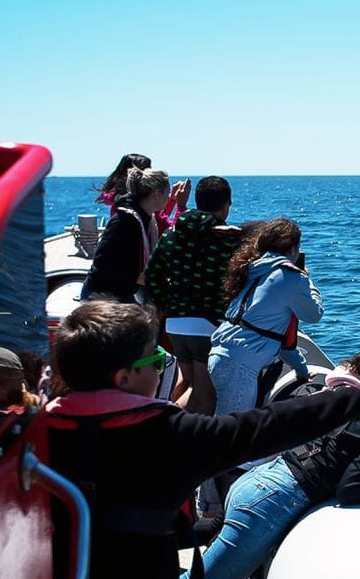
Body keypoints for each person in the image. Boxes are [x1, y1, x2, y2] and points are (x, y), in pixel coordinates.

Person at [45, 300, 360, 579]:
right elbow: (267, 426)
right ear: (124, 378)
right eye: (156, 360)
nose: (162, 368)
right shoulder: (169, 435)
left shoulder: (38, 431)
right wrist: (356, 398)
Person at [179, 345, 360, 579]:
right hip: (272, 502)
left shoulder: (356, 400)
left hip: (258, 481)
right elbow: (352, 489)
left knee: (214, 578)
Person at [145, 176, 242, 414]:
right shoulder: (227, 239)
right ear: (226, 206)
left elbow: (152, 275)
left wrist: (167, 303)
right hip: (207, 324)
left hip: (175, 325)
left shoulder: (172, 234)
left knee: (189, 384)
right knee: (205, 397)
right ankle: (169, 430)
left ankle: (163, 420)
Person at [209, 217, 322, 416]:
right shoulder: (290, 277)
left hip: (223, 355)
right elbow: (314, 314)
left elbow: (274, 336)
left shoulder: (255, 270)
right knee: (233, 429)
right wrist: (308, 282)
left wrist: (301, 370)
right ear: (293, 249)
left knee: (225, 422)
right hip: (240, 365)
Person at [81, 167, 170, 303]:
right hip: (102, 296)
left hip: (121, 292)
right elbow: (104, 265)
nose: (169, 197)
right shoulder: (125, 222)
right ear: (157, 194)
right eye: (168, 193)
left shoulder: (145, 219)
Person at [95, 153, 190, 234]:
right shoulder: (138, 206)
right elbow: (173, 234)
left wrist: (172, 199)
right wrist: (181, 205)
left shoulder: (120, 202)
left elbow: (157, 222)